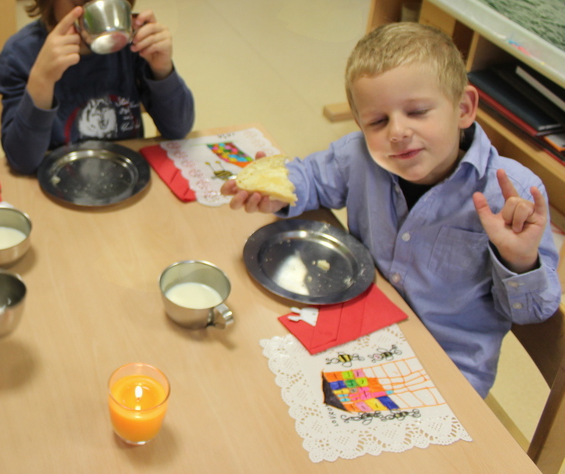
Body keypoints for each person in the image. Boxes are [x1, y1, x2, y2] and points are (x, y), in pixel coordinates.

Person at [225, 22, 561, 396]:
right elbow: (312, 177)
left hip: (446, 374)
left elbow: (533, 312)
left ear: (464, 108)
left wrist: (520, 261)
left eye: (417, 112)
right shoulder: (359, 155)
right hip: (360, 327)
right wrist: (281, 192)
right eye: (378, 121)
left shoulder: (510, 195)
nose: (397, 132)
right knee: (255, 379)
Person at [0, 0, 195, 174]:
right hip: (57, 184)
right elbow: (21, 161)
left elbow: (178, 130)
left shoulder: (132, 46)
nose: (102, 21)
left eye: (117, 2)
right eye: (85, 4)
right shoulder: (21, 55)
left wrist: (163, 72)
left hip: (123, 178)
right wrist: (41, 81)